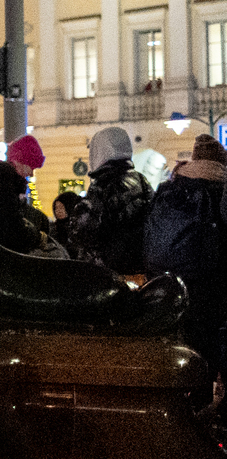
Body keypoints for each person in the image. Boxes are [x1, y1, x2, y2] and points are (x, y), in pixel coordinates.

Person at [144, 132, 227, 380]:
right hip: (208, 285)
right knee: (208, 348)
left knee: (181, 346)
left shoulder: (169, 187)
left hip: (167, 283)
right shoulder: (219, 188)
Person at [68, 126, 154, 279]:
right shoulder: (141, 180)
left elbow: (83, 231)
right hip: (139, 269)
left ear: (100, 152)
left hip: (107, 273)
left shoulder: (103, 184)